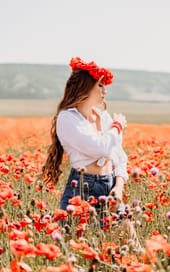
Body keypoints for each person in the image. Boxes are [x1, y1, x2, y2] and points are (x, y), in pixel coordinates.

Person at [43, 57, 141, 250]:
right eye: (100, 86)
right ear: (85, 87)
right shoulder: (68, 118)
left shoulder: (103, 118)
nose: (105, 92)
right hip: (82, 190)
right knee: (77, 254)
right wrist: (117, 126)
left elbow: (119, 158)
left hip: (109, 188)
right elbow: (99, 147)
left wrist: (119, 187)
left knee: (132, 251)